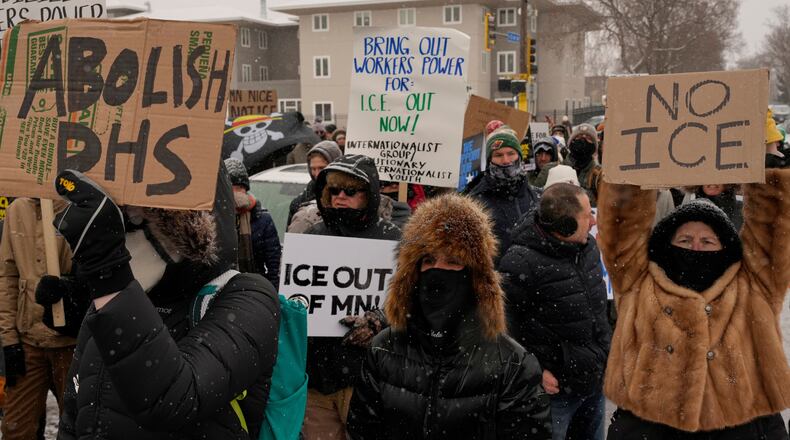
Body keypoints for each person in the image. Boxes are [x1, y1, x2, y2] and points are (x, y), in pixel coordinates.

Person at [43, 166, 280, 439]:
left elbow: (172, 401)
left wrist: (107, 271)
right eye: (123, 218)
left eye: (141, 219)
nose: (127, 233)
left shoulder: (248, 296)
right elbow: (78, 409)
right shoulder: (120, 296)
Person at [598, 159, 790, 437]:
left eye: (708, 241)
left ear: (725, 248)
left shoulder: (754, 285)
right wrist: (630, 163)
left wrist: (766, 158)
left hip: (742, 428)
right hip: (650, 428)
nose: (696, 247)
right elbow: (621, 228)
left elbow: (772, 229)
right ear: (668, 245)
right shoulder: (639, 282)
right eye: (685, 240)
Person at [347, 194, 552, 439]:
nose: (438, 271)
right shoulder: (383, 349)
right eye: (429, 260)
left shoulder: (512, 364)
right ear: (412, 274)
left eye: (453, 261)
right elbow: (363, 431)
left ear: (476, 277)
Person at [500, 183, 610, 440]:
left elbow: (597, 312)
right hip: (554, 393)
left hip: (594, 383)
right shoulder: (520, 262)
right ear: (566, 225)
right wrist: (534, 371)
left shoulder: (589, 248)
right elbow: (503, 327)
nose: (593, 221)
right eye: (587, 215)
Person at [302, 154, 401, 440]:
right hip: (318, 381)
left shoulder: (393, 239)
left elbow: (411, 304)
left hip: (370, 380)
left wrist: (379, 321)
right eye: (334, 191)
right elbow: (295, 301)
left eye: (350, 190)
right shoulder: (311, 238)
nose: (340, 197)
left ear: (368, 194)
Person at [0, 198, 74, 440]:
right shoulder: (16, 209)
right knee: (16, 430)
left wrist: (70, 289)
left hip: (71, 345)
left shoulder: (81, 208)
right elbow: (7, 278)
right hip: (28, 341)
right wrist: (10, 342)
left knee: (77, 428)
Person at [468, 128, 540, 257]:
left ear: (519, 155)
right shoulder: (475, 201)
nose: (506, 160)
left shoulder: (536, 195)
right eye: (498, 155)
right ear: (490, 160)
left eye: (511, 153)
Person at [225, 158, 282, 287]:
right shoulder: (216, 219)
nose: (236, 193)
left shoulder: (262, 219)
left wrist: (271, 291)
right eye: (231, 188)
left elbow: (273, 262)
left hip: (254, 287)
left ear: (246, 189)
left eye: (239, 188)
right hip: (222, 287)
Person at [535, 124, 602, 206]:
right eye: (578, 137)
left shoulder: (599, 175)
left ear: (594, 147)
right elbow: (535, 199)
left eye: (588, 138)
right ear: (570, 143)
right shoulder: (550, 169)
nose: (583, 140)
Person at [287, 140, 342, 227]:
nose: (317, 174)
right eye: (313, 169)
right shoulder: (300, 202)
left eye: (321, 168)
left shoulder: (347, 196)